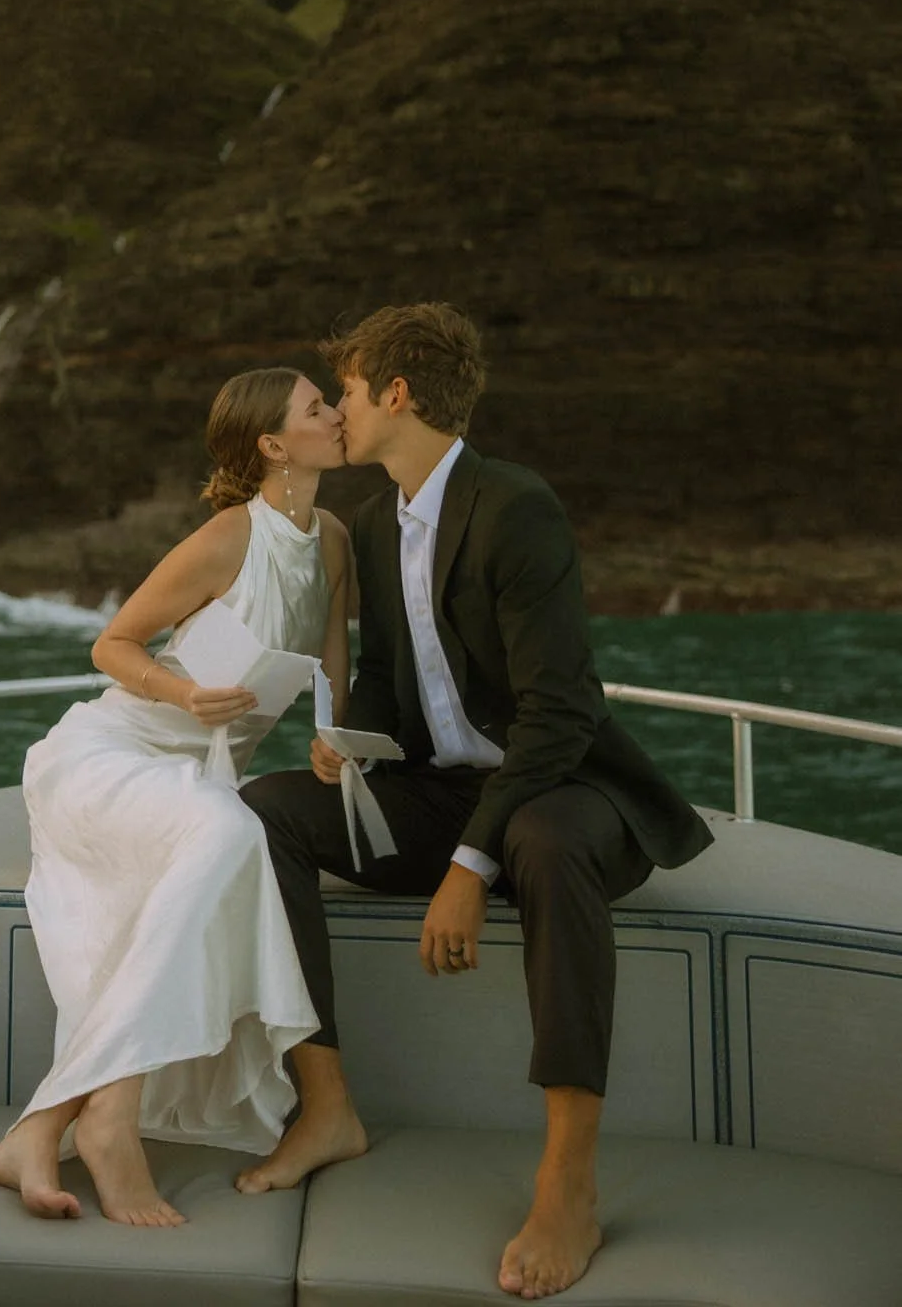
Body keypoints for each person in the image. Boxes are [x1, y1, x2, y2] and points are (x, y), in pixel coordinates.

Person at [238, 303, 713, 1301]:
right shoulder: (371, 523)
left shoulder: (515, 504)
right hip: (438, 788)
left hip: (566, 789)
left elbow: (558, 713)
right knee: (266, 807)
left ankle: (569, 1178)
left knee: (538, 835)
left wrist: (469, 861)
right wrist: (352, 742)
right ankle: (325, 1103)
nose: (344, 412)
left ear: (398, 394)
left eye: (354, 392)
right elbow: (379, 669)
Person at [0, 366, 351, 1226]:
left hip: (197, 776)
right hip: (112, 755)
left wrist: (332, 733)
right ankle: (109, 1120)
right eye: (315, 408)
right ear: (272, 444)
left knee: (225, 832)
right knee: (232, 836)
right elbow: (110, 645)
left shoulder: (333, 537)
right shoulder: (228, 538)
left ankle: (42, 1126)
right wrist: (182, 694)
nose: (336, 414)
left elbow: (336, 660)